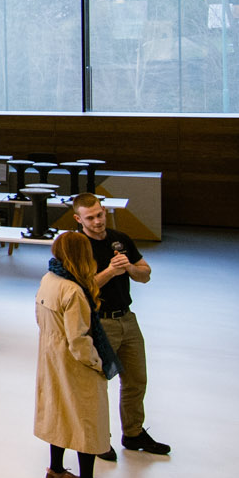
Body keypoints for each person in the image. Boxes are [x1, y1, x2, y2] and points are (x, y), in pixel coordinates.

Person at [71, 193, 166, 458]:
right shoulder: (77, 246)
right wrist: (111, 271)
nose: (97, 221)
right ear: (78, 219)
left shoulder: (120, 239)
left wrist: (130, 268)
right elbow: (80, 289)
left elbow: (145, 275)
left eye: (100, 214)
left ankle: (133, 433)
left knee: (136, 380)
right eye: (90, 217)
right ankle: (99, 440)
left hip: (127, 318)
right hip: (98, 322)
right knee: (97, 385)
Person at [35, 230, 117, 478]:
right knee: (87, 419)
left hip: (50, 357)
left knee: (58, 411)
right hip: (75, 364)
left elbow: (39, 318)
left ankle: (55, 470)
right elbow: (79, 340)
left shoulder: (48, 279)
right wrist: (98, 364)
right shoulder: (74, 290)